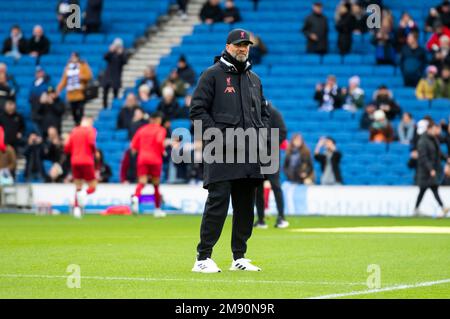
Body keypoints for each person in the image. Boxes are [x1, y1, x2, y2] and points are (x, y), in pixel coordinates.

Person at [189, 29, 270, 273]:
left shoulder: (254, 79)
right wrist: (218, 137)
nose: (243, 48)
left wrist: (260, 137)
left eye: (246, 45)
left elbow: (264, 115)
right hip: (221, 153)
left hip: (250, 154)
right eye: (238, 45)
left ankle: (239, 257)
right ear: (227, 46)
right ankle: (203, 257)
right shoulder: (211, 75)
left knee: (246, 206)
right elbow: (197, 111)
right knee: (218, 202)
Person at [254, 102, 288, 229]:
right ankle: (261, 219)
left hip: (271, 155)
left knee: (275, 186)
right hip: (257, 156)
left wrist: (267, 140)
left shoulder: (274, 113)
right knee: (258, 188)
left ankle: (281, 217)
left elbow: (283, 133)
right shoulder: (255, 113)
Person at [130, 112, 167, 217]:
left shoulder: (142, 130)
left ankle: (136, 197)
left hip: (142, 159)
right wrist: (163, 150)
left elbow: (133, 146)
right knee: (156, 184)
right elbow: (159, 141)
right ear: (158, 119)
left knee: (142, 182)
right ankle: (157, 209)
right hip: (155, 159)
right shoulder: (160, 129)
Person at [414, 121, 450, 217]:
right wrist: (430, 169)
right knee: (430, 189)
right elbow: (423, 157)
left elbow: (439, 153)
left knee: (426, 190)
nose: (436, 131)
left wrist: (447, 158)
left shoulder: (434, 139)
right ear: (429, 129)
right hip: (426, 171)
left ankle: (416, 209)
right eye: (434, 129)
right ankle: (442, 207)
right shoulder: (422, 141)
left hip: (432, 170)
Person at [64, 117, 97, 218]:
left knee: (78, 186)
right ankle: (84, 194)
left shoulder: (74, 131)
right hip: (87, 161)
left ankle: (77, 209)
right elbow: (91, 143)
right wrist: (94, 152)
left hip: (75, 161)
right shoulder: (91, 130)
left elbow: (66, 148)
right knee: (93, 186)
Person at [56, 52, 93, 126]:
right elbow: (64, 80)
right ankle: (77, 125)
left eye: (74, 57)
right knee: (73, 112)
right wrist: (58, 89)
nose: (72, 58)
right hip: (71, 94)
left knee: (80, 111)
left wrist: (82, 77)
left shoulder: (82, 65)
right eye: (72, 57)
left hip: (80, 93)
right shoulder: (68, 67)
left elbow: (89, 76)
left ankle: (80, 125)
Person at [102, 38, 127, 109]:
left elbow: (125, 62)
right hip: (108, 76)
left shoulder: (122, 53)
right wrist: (110, 51)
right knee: (105, 93)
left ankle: (114, 107)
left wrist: (121, 54)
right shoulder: (111, 53)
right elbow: (105, 57)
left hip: (116, 76)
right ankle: (105, 107)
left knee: (115, 93)